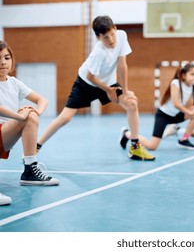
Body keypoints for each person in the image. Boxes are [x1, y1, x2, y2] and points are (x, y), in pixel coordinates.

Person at [36, 16, 154, 161]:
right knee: (65, 118)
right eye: (105, 37)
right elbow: (90, 76)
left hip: (108, 82)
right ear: (98, 38)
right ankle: (36, 145)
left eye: (112, 34)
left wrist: (124, 91)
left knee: (132, 103)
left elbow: (122, 66)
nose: (111, 40)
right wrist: (108, 90)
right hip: (86, 84)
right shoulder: (99, 52)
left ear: (115, 29)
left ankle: (135, 147)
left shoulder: (121, 36)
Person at [0, 41, 59, 206]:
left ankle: (29, 172)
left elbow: (42, 100)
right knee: (26, 115)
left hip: (3, 135)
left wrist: (36, 113)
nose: (3, 62)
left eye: (6, 57)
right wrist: (19, 116)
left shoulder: (13, 83)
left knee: (31, 115)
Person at [119, 63, 194, 151]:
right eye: (192, 74)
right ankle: (127, 133)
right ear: (183, 75)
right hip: (163, 116)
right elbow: (176, 104)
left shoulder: (192, 86)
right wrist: (189, 112)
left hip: (176, 115)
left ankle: (184, 139)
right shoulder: (176, 83)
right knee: (152, 146)